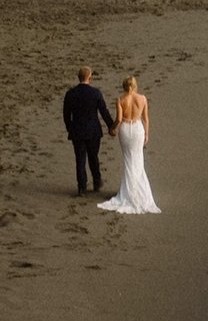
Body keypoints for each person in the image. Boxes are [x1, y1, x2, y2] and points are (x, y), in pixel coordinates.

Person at [98, 75, 162, 215]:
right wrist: (146, 134)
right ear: (135, 85)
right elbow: (145, 118)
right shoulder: (142, 98)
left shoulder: (120, 100)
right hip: (138, 128)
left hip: (126, 129)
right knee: (138, 160)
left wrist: (112, 128)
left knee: (128, 160)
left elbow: (119, 119)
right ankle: (138, 192)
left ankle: (128, 192)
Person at [62, 66, 115, 197]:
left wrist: (70, 127)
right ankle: (96, 182)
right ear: (89, 78)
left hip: (77, 131)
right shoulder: (96, 93)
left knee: (80, 159)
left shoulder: (70, 93)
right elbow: (103, 111)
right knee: (93, 157)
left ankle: (82, 187)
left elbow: (66, 114)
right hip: (93, 131)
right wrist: (111, 126)